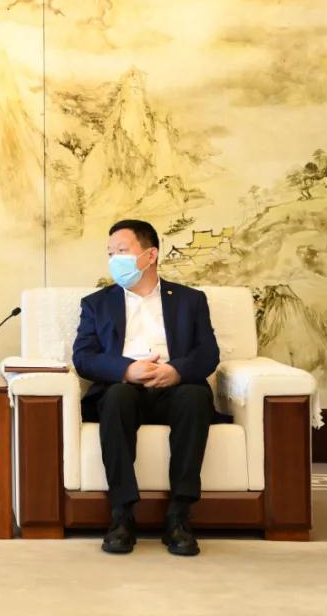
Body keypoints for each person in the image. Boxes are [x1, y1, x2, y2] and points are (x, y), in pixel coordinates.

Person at [72, 219, 219, 556]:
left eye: (122, 251)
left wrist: (176, 371)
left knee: (195, 396)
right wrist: (126, 370)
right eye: (110, 253)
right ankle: (121, 515)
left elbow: (208, 353)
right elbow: (84, 357)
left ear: (150, 255)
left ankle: (179, 515)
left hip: (175, 388)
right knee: (117, 396)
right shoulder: (96, 304)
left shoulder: (190, 300)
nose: (114, 260)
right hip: (125, 388)